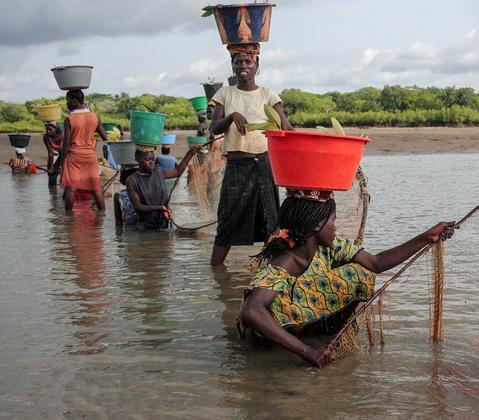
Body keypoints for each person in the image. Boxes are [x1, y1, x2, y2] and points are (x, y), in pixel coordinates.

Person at [237, 189, 456, 366]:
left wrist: (426, 237)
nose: (336, 227)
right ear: (317, 225)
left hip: (303, 321)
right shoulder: (284, 261)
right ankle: (303, 342)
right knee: (273, 303)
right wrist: (307, 352)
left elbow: (376, 264)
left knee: (360, 273)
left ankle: (331, 334)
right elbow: (252, 311)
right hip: (272, 334)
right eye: (333, 220)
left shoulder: (331, 247)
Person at [209, 42, 295, 266]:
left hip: (265, 164)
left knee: (270, 221)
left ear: (257, 66)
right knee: (227, 220)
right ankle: (215, 271)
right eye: (238, 62)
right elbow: (214, 128)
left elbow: (286, 127)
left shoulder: (268, 95)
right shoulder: (225, 94)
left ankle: (272, 272)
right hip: (238, 164)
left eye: (248, 62)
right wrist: (231, 117)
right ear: (233, 67)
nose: (243, 65)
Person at [126, 144, 203, 231]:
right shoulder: (132, 180)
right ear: (138, 160)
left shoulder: (159, 171)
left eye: (153, 159)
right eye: (147, 160)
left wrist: (190, 153)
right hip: (145, 228)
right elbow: (138, 207)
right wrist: (159, 208)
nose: (151, 162)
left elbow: (178, 171)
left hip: (164, 225)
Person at [60, 89, 110, 211]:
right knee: (95, 186)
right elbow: (105, 137)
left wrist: (62, 162)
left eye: (68, 101)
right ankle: (102, 214)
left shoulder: (69, 119)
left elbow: (66, 143)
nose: (67, 104)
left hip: (74, 156)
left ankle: (69, 219)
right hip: (90, 156)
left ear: (75, 101)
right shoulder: (95, 117)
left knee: (71, 187)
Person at [43, 122, 64, 187]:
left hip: (66, 154)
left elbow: (66, 150)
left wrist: (61, 166)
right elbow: (50, 152)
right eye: (47, 130)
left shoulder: (64, 135)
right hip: (56, 154)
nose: (48, 131)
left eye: (50, 130)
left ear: (56, 129)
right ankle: (53, 192)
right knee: (52, 176)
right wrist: (51, 167)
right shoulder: (46, 137)